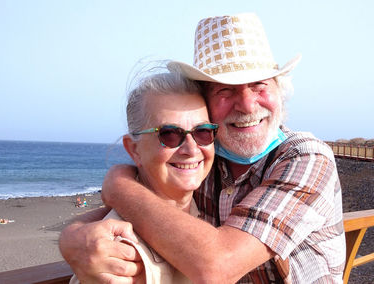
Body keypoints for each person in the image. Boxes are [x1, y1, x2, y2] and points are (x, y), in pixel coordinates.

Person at [60, 13, 345, 283]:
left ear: (279, 91)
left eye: (259, 85)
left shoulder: (305, 157)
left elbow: (217, 265)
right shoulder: (201, 159)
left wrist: (117, 186)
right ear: (207, 105)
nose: (247, 105)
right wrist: (71, 239)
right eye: (225, 90)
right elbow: (141, 204)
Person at [70, 71, 217, 283]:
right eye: (170, 134)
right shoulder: (118, 256)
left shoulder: (215, 205)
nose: (192, 149)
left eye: (203, 131)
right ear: (134, 150)